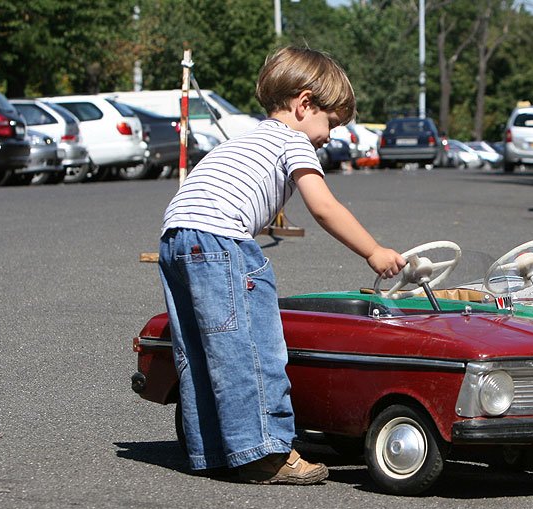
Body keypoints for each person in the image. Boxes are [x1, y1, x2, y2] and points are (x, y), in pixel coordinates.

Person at [157, 46, 406, 485]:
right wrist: (373, 251)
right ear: (304, 104)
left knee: (201, 350)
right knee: (253, 347)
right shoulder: (292, 140)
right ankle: (266, 452)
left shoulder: (246, 139)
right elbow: (323, 207)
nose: (330, 136)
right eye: (330, 123)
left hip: (176, 237)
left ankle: (214, 450)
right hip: (221, 240)